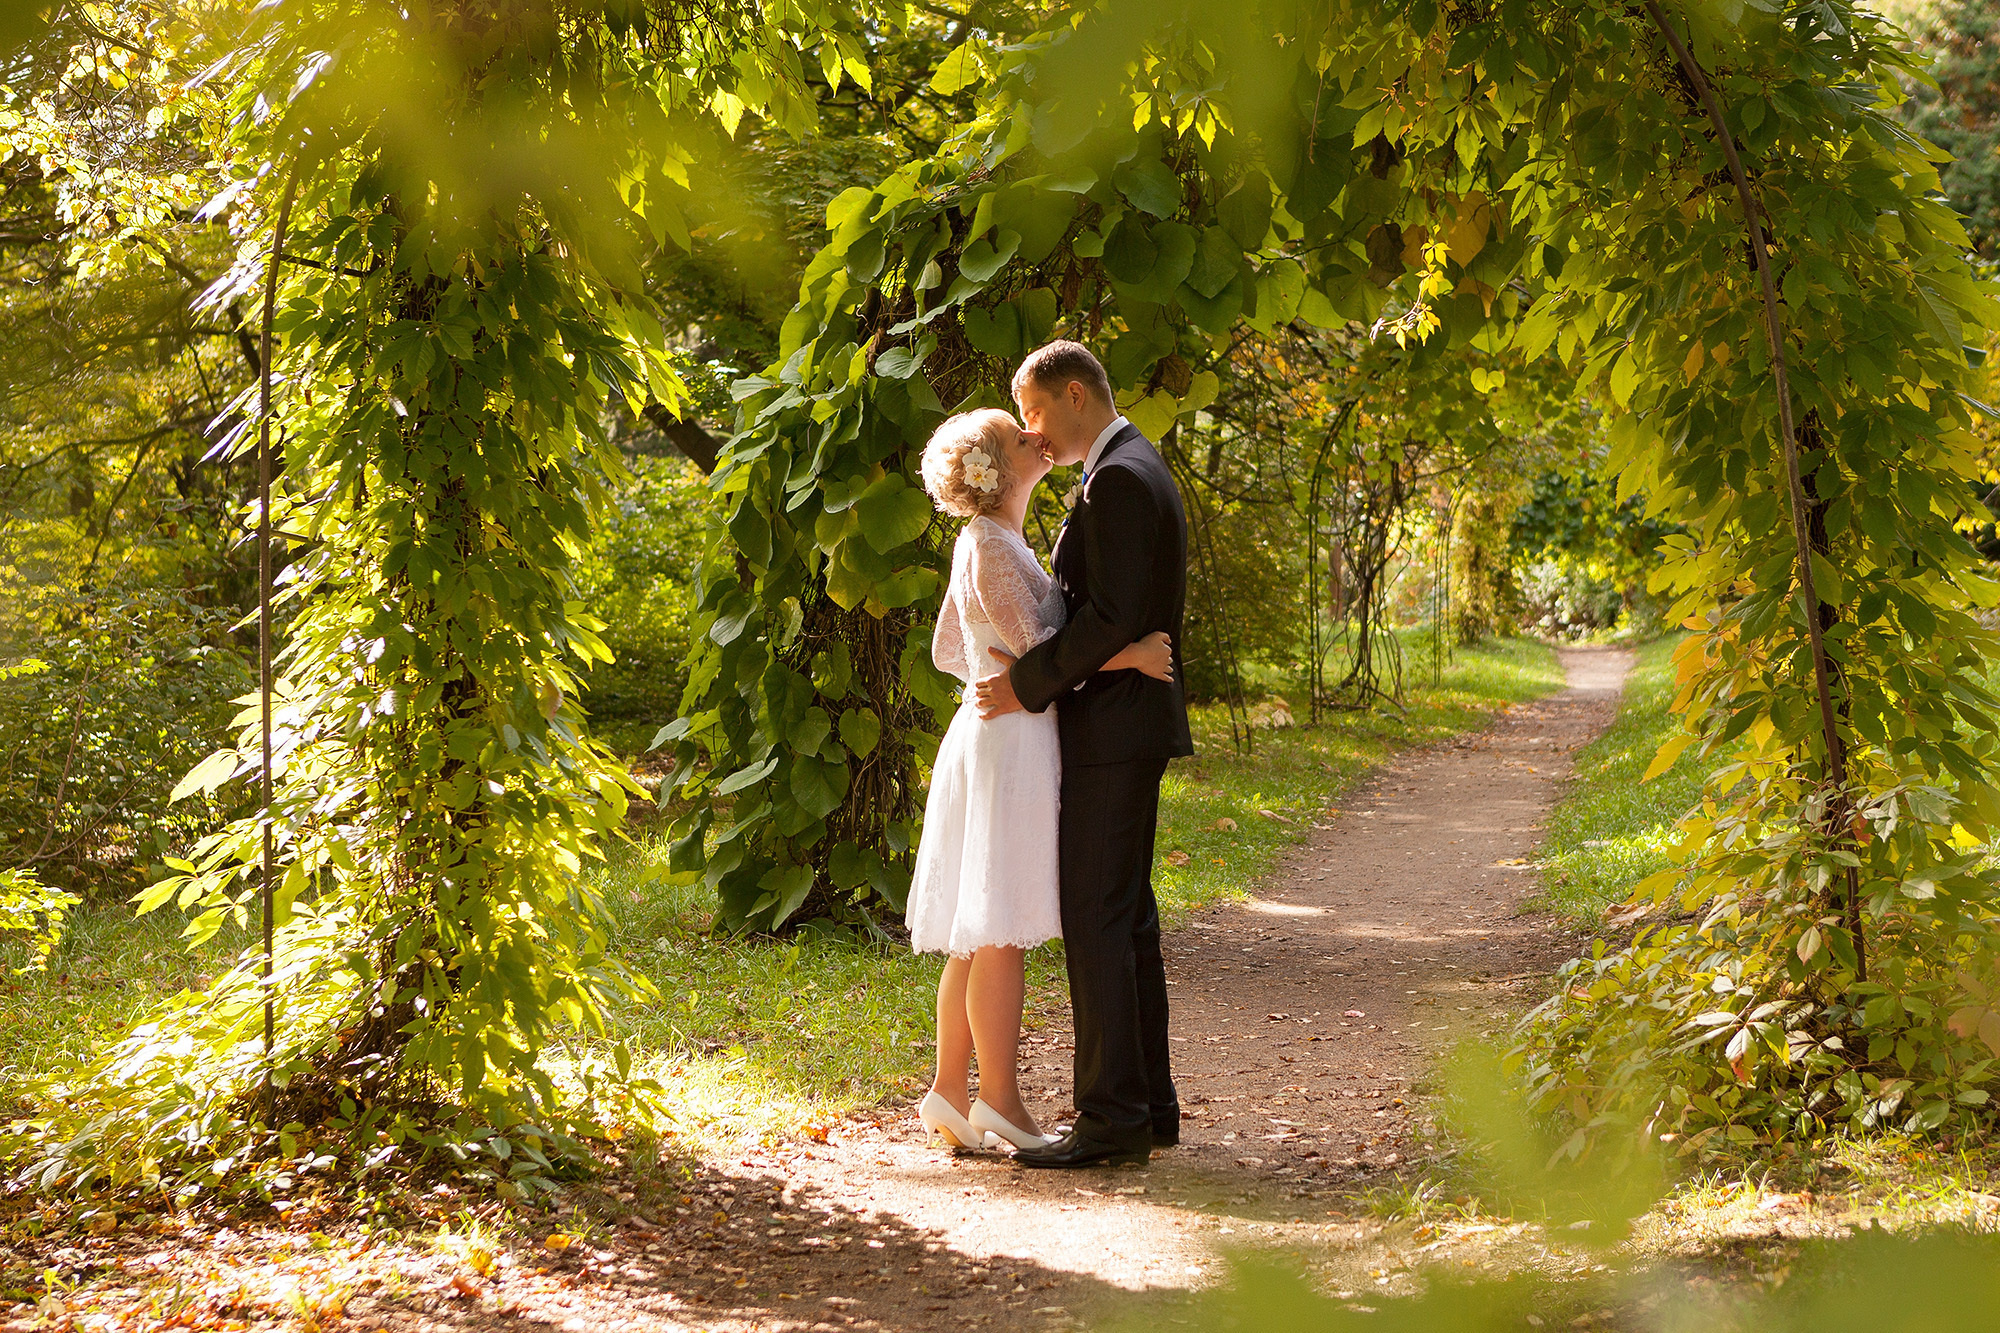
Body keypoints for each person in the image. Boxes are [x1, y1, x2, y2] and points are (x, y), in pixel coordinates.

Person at [908, 406, 1175, 1155]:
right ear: (996, 469)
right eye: (1017, 435)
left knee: (978, 931)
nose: (1036, 436)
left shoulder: (992, 539)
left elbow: (951, 649)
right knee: (1000, 927)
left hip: (1000, 729)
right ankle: (999, 1099)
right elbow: (1041, 650)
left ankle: (949, 1088)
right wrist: (1130, 656)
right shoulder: (991, 545)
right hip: (1010, 742)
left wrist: (987, 672)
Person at [973, 341, 1193, 1169]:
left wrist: (1024, 684)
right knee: (1124, 917)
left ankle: (1110, 1119)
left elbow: (1110, 619)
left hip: (1115, 730)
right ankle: (1148, 1106)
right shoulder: (1128, 466)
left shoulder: (1122, 478)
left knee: (1098, 918)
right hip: (1124, 725)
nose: (1032, 431)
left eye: (1033, 411)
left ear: (1074, 395)